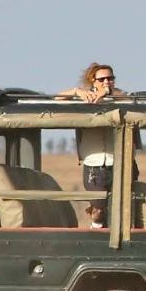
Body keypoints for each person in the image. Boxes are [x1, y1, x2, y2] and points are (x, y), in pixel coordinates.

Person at [54, 62, 127, 228]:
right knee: (98, 209)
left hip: (119, 162)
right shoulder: (84, 98)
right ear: (92, 80)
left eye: (110, 78)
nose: (107, 82)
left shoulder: (120, 97)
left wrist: (107, 93)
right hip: (94, 164)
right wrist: (76, 91)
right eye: (102, 79)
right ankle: (96, 229)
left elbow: (129, 99)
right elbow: (56, 100)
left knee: (122, 208)